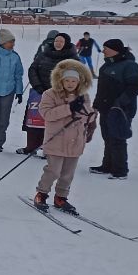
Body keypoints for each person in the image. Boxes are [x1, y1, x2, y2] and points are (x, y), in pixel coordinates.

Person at [32, 60, 97, 213]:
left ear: (79, 82)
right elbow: (46, 114)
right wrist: (69, 108)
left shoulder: (83, 96)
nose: (70, 83)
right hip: (56, 140)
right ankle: (41, 194)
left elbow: (89, 118)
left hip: (75, 142)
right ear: (60, 80)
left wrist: (87, 109)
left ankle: (61, 197)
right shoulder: (50, 94)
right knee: (53, 171)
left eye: (73, 81)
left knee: (68, 174)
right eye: (67, 80)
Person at [91, 39, 138, 180]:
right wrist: (96, 105)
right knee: (107, 137)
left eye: (105, 48)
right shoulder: (105, 66)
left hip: (121, 110)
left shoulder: (130, 66)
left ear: (115, 50)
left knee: (117, 138)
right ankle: (107, 166)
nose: (103, 51)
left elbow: (136, 87)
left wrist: (119, 103)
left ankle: (120, 170)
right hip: (105, 108)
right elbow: (101, 90)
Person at [19, 31, 76, 155]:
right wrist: (38, 85)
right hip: (39, 92)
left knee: (53, 122)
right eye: (56, 41)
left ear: (66, 43)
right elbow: (33, 69)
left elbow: (76, 77)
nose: (58, 43)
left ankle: (50, 149)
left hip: (59, 95)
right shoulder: (44, 54)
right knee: (34, 121)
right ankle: (31, 146)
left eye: (61, 41)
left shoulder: (72, 58)